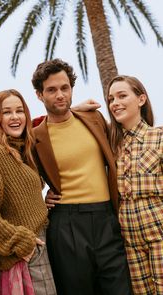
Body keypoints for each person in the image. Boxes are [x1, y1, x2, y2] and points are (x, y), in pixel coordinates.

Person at [31, 58, 133, 295]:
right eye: (52, 90)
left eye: (65, 88)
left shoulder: (93, 119)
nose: (60, 95)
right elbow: (27, 179)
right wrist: (42, 198)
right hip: (67, 224)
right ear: (39, 95)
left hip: (107, 218)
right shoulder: (35, 137)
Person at [0, 89, 57, 295]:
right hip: (21, 256)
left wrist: (44, 200)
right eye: (6, 112)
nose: (15, 117)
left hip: (37, 250)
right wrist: (20, 240)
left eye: (19, 111)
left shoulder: (24, 152)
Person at [105, 75, 163, 294]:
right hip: (129, 238)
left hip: (159, 231)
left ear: (141, 99)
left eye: (122, 96)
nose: (115, 103)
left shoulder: (158, 137)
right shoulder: (112, 144)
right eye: (111, 99)